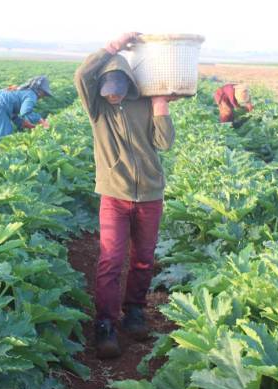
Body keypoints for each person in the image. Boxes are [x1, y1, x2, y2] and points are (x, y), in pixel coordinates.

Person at [74, 32, 178, 359]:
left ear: (130, 84)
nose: (114, 95)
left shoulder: (143, 103)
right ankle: (104, 324)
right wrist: (112, 47)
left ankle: (134, 311)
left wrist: (160, 107)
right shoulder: (97, 108)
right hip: (114, 196)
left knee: (144, 258)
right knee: (110, 260)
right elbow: (81, 75)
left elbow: (164, 143)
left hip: (149, 194)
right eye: (108, 88)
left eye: (119, 88)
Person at [0, 76, 52, 154]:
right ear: (39, 90)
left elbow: (11, 112)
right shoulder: (31, 94)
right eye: (44, 93)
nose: (43, 96)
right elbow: (25, 112)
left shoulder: (20, 90)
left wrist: (22, 123)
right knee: (1, 139)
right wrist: (41, 120)